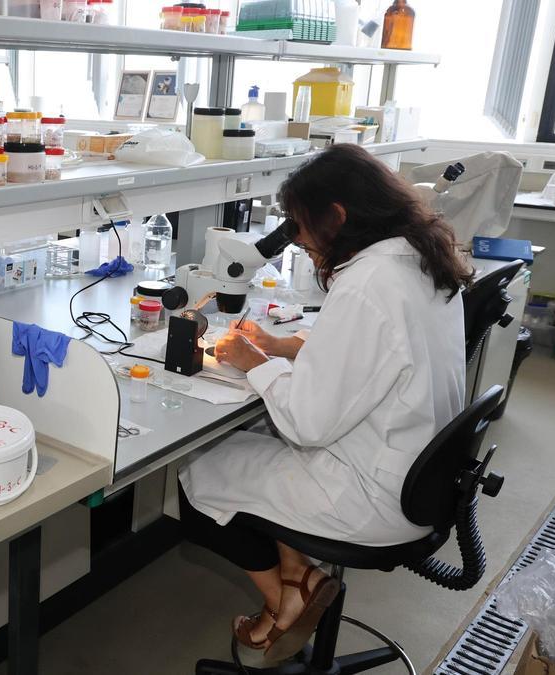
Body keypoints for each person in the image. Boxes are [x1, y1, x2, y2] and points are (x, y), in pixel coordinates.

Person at [177, 144, 473, 661]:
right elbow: (383, 352)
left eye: (300, 225)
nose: (300, 240)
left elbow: (307, 425)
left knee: (197, 469)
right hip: (418, 478)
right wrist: (287, 347)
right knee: (256, 445)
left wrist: (253, 362)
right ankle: (294, 576)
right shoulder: (419, 258)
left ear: (336, 216)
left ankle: (284, 605)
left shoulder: (365, 284)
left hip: (372, 494)